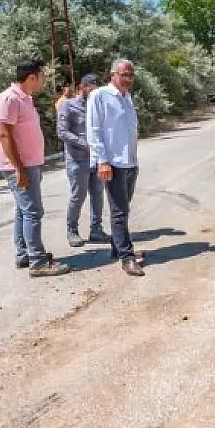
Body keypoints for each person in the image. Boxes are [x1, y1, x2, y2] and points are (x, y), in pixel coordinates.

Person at [0, 60, 69, 277]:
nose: (44, 80)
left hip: (29, 164)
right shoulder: (9, 99)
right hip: (20, 167)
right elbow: (4, 135)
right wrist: (19, 169)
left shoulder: (25, 99)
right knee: (33, 212)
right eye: (42, 76)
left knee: (23, 211)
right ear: (31, 78)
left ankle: (25, 254)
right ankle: (37, 261)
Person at [87, 59, 143, 277]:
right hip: (112, 163)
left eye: (131, 75)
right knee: (119, 211)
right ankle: (127, 258)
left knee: (123, 209)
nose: (128, 79)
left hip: (130, 162)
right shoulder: (99, 96)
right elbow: (93, 130)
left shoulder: (127, 98)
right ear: (112, 75)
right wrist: (102, 160)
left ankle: (116, 248)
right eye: (124, 75)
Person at [57, 73, 110, 248]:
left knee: (97, 195)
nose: (94, 92)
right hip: (77, 160)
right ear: (82, 87)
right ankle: (72, 230)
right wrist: (84, 143)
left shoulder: (98, 105)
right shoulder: (68, 106)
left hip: (96, 160)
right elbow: (62, 132)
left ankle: (96, 230)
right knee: (78, 196)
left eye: (96, 89)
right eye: (91, 88)